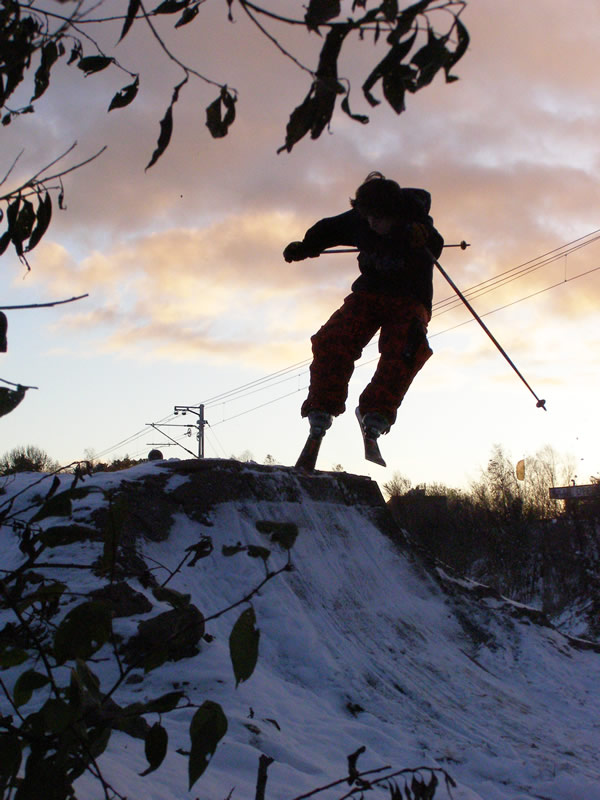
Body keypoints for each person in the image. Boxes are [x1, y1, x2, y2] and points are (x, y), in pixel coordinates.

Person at [283, 171, 444, 441]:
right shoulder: (361, 220)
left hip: (409, 299)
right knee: (333, 339)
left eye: (377, 219)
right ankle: (323, 403)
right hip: (370, 293)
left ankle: (378, 410)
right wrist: (307, 246)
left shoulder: (413, 221)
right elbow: (328, 228)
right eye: (367, 217)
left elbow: (435, 244)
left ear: (392, 213)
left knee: (405, 351)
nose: (372, 224)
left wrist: (423, 239)